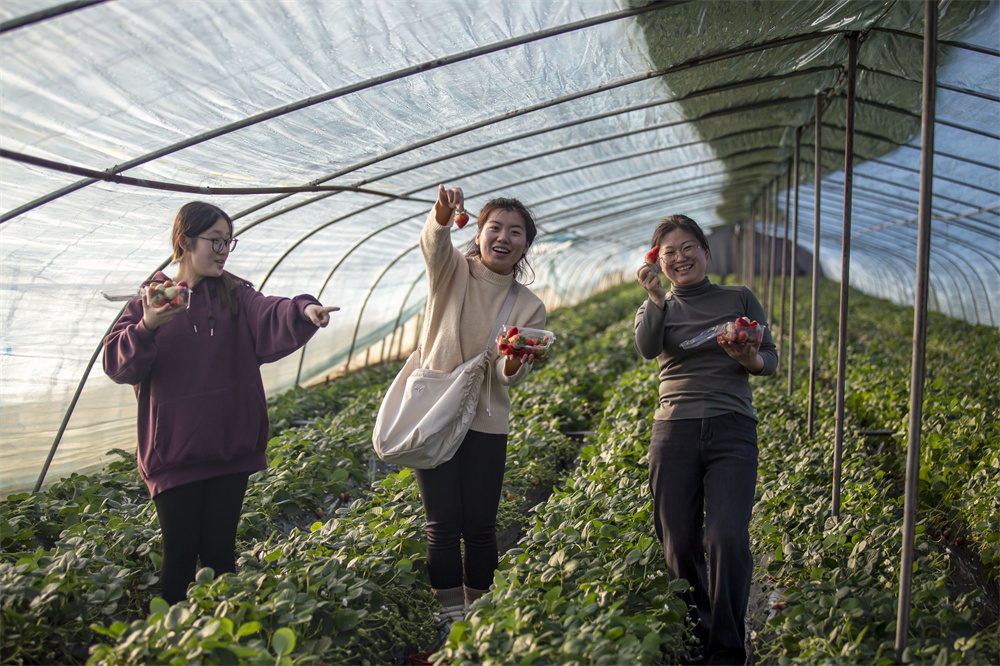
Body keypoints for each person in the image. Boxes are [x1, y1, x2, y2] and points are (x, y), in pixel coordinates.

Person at [103, 201, 338, 605]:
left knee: (219, 554)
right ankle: (173, 643)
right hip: (174, 456)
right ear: (184, 242)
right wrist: (149, 325)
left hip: (229, 451)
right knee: (177, 556)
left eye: (229, 241)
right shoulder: (152, 300)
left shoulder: (235, 296)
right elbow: (118, 363)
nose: (224, 249)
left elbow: (270, 311)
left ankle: (224, 640)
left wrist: (304, 310)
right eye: (215, 241)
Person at [634, 214, 777, 665]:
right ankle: (700, 631)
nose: (680, 258)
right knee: (677, 541)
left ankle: (729, 649)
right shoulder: (655, 307)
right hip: (673, 429)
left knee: (727, 537)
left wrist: (750, 357)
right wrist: (656, 298)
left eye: (689, 247)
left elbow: (770, 359)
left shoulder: (738, 297)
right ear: (658, 261)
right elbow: (646, 347)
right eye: (669, 252)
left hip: (731, 426)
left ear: (706, 252)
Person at [415, 184, 546, 623]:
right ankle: (449, 621)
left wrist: (513, 361)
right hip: (435, 413)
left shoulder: (529, 306)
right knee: (443, 524)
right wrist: (440, 216)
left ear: (526, 244)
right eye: (495, 228)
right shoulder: (452, 271)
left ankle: (481, 621)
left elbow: (511, 376)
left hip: (487, 423)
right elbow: (434, 246)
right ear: (479, 233)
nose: (503, 238)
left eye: (515, 232)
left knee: (481, 527)